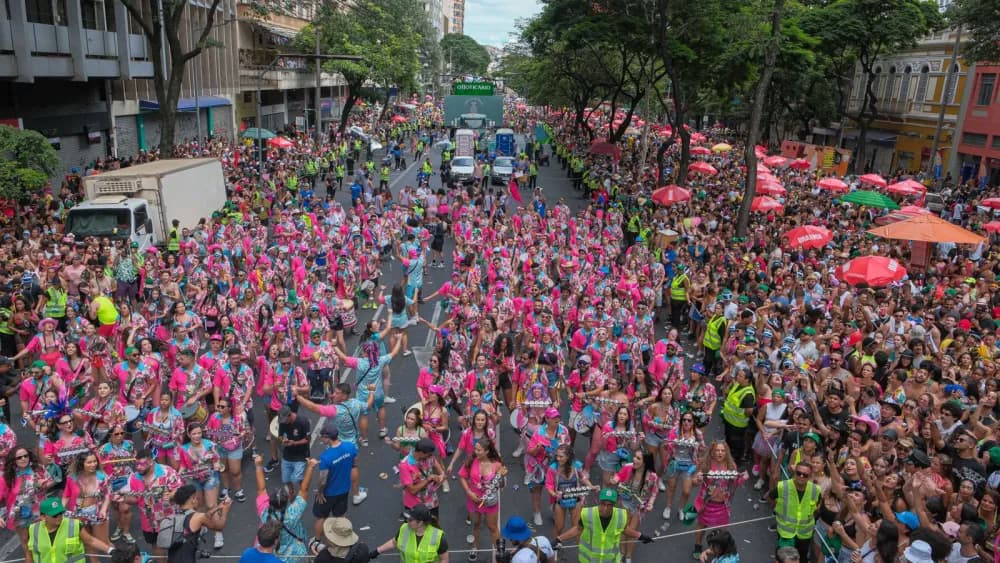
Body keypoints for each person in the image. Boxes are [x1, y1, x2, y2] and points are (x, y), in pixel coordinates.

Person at [552, 488, 653, 563]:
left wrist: (640, 536)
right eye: (603, 504)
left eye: (609, 505)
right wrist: (559, 539)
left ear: (615, 504)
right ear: (598, 501)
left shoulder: (621, 515)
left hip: (610, 560)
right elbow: (578, 529)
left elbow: (624, 529)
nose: (605, 508)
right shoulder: (587, 514)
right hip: (589, 560)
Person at [26, 498, 115, 563]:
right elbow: (29, 554)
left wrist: (111, 550)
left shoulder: (74, 525)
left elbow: (90, 540)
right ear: (43, 517)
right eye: (55, 515)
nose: (59, 517)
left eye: (61, 513)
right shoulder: (33, 529)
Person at [314, 422, 360, 543]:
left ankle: (317, 541)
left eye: (322, 436)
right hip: (344, 490)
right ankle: (341, 538)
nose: (321, 438)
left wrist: (320, 492)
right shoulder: (350, 447)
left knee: (321, 517)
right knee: (340, 516)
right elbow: (355, 463)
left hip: (328, 493)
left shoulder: (326, 457)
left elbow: (323, 479)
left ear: (327, 438)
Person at [165, 484, 233, 563]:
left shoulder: (172, 516)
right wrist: (225, 510)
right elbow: (219, 526)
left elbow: (206, 515)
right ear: (192, 500)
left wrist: (218, 507)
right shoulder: (197, 517)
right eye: (196, 498)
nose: (198, 500)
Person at [769, 462, 820, 563]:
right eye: (798, 473)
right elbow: (770, 497)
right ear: (794, 473)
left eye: (805, 475)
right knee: (783, 559)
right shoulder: (783, 486)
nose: (801, 476)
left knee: (801, 559)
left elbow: (817, 506)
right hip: (786, 533)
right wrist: (777, 508)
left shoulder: (815, 490)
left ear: (809, 476)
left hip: (804, 534)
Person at [371, 504, 449, 563]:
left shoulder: (438, 536)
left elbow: (444, 560)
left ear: (420, 523)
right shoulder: (404, 528)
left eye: (410, 520)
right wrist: (377, 551)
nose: (407, 521)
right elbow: (394, 542)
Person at [276, 404, 311, 490]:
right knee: (286, 479)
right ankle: (291, 492)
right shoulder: (283, 422)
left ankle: (303, 491)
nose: (284, 422)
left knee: (297, 478)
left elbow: (307, 439)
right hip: (287, 454)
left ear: (290, 415)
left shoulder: (303, 421)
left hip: (301, 454)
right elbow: (280, 436)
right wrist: (283, 440)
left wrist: (294, 443)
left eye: (285, 420)